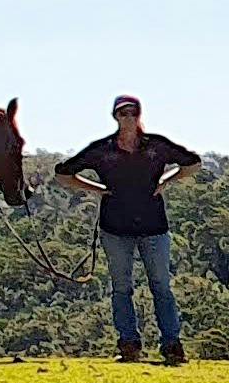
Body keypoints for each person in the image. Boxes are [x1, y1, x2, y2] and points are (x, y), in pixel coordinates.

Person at [54, 96, 201, 364]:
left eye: (133, 113)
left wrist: (167, 180)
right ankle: (128, 344)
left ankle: (171, 344)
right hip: (115, 227)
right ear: (115, 117)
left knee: (161, 287)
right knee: (122, 288)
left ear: (140, 115)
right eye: (123, 113)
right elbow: (62, 174)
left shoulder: (157, 146)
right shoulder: (102, 150)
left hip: (154, 226)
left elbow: (193, 163)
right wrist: (96, 189)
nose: (129, 118)